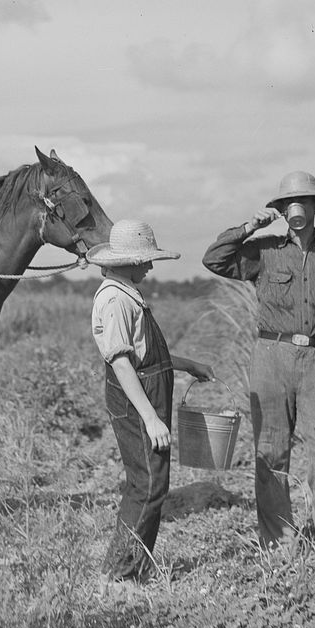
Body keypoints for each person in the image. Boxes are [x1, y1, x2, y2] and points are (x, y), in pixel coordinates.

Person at [201, 171, 315, 553]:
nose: (295, 209)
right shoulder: (264, 250)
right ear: (281, 210)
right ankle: (279, 541)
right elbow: (214, 260)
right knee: (271, 451)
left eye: (303, 202)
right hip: (271, 356)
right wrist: (247, 228)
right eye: (287, 204)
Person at [88, 219, 215, 591]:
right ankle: (119, 575)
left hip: (147, 395)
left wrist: (188, 364)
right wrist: (150, 418)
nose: (150, 266)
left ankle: (133, 569)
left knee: (150, 482)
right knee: (146, 486)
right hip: (137, 401)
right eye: (146, 259)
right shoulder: (114, 300)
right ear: (127, 261)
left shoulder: (128, 294)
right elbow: (122, 362)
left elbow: (147, 354)